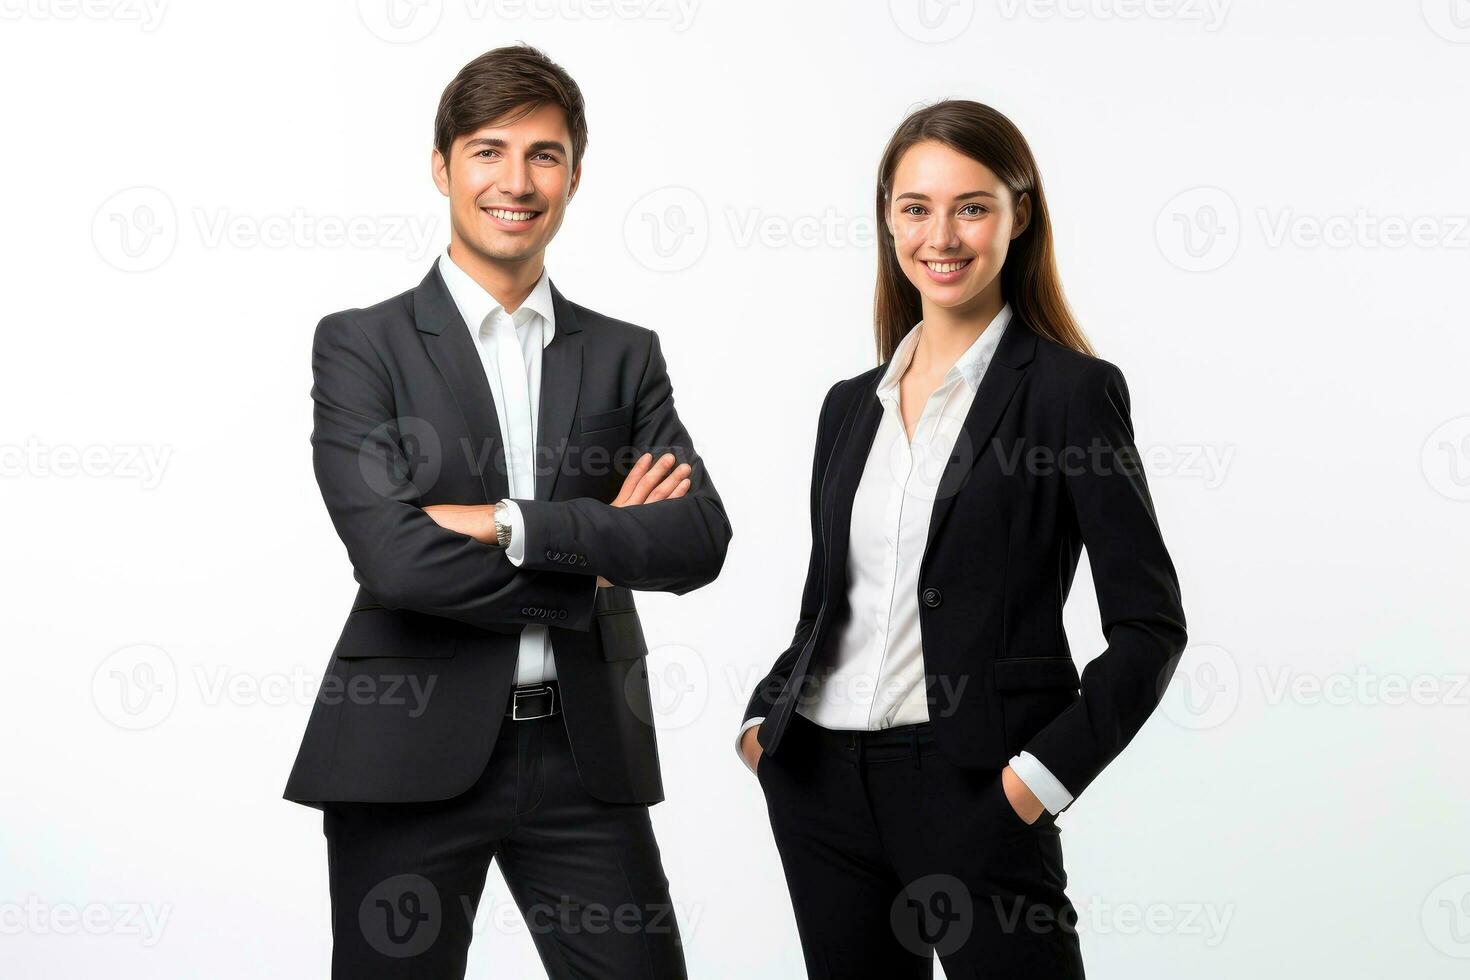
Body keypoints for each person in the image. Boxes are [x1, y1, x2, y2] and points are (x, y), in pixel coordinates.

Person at [284, 44, 729, 979]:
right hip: (402, 746)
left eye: (544, 154)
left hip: (585, 756)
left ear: (573, 175)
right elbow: (397, 561)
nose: (515, 181)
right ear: (442, 165)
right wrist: (600, 555)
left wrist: (506, 522)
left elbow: (696, 538)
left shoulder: (623, 355)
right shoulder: (363, 346)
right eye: (488, 151)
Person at [739, 99, 1187, 977]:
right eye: (916, 207)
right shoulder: (847, 406)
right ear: (888, 219)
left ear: (1019, 216)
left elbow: (1150, 629)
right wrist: (764, 726)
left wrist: (1036, 782)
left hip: (976, 785)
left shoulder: (1068, 393)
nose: (941, 235)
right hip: (820, 788)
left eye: (971, 206)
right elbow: (831, 603)